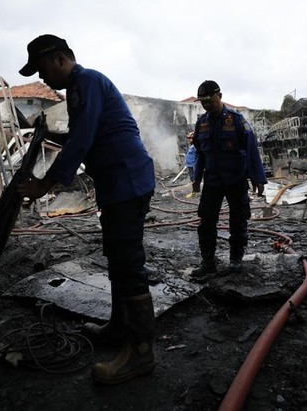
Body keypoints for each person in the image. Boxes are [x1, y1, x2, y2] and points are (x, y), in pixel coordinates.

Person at [15, 34, 156, 384]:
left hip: (126, 181)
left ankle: (141, 354)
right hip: (115, 184)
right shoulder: (80, 90)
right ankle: (119, 326)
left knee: (128, 263)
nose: (42, 78)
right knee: (116, 258)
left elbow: (83, 139)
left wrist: (45, 184)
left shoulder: (86, 82)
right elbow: (80, 134)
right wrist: (45, 134)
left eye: (43, 68)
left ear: (60, 58)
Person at [190, 80, 267, 278]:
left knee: (238, 220)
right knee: (206, 222)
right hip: (213, 181)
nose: (207, 105)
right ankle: (208, 262)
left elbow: (251, 149)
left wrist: (257, 178)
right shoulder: (202, 124)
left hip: (236, 179)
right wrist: (196, 178)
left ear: (220, 96)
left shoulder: (237, 120)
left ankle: (235, 260)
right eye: (203, 102)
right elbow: (199, 153)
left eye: (210, 100)